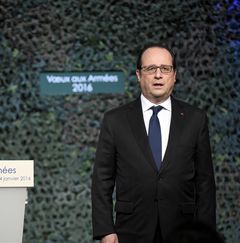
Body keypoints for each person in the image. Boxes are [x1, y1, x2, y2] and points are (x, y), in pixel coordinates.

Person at [91, 43, 216, 243]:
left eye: (165, 69)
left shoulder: (195, 119)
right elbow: (102, 181)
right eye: (150, 69)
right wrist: (106, 230)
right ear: (139, 75)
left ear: (174, 75)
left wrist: (205, 234)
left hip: (183, 231)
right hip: (131, 231)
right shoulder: (115, 120)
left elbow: (205, 182)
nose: (158, 75)